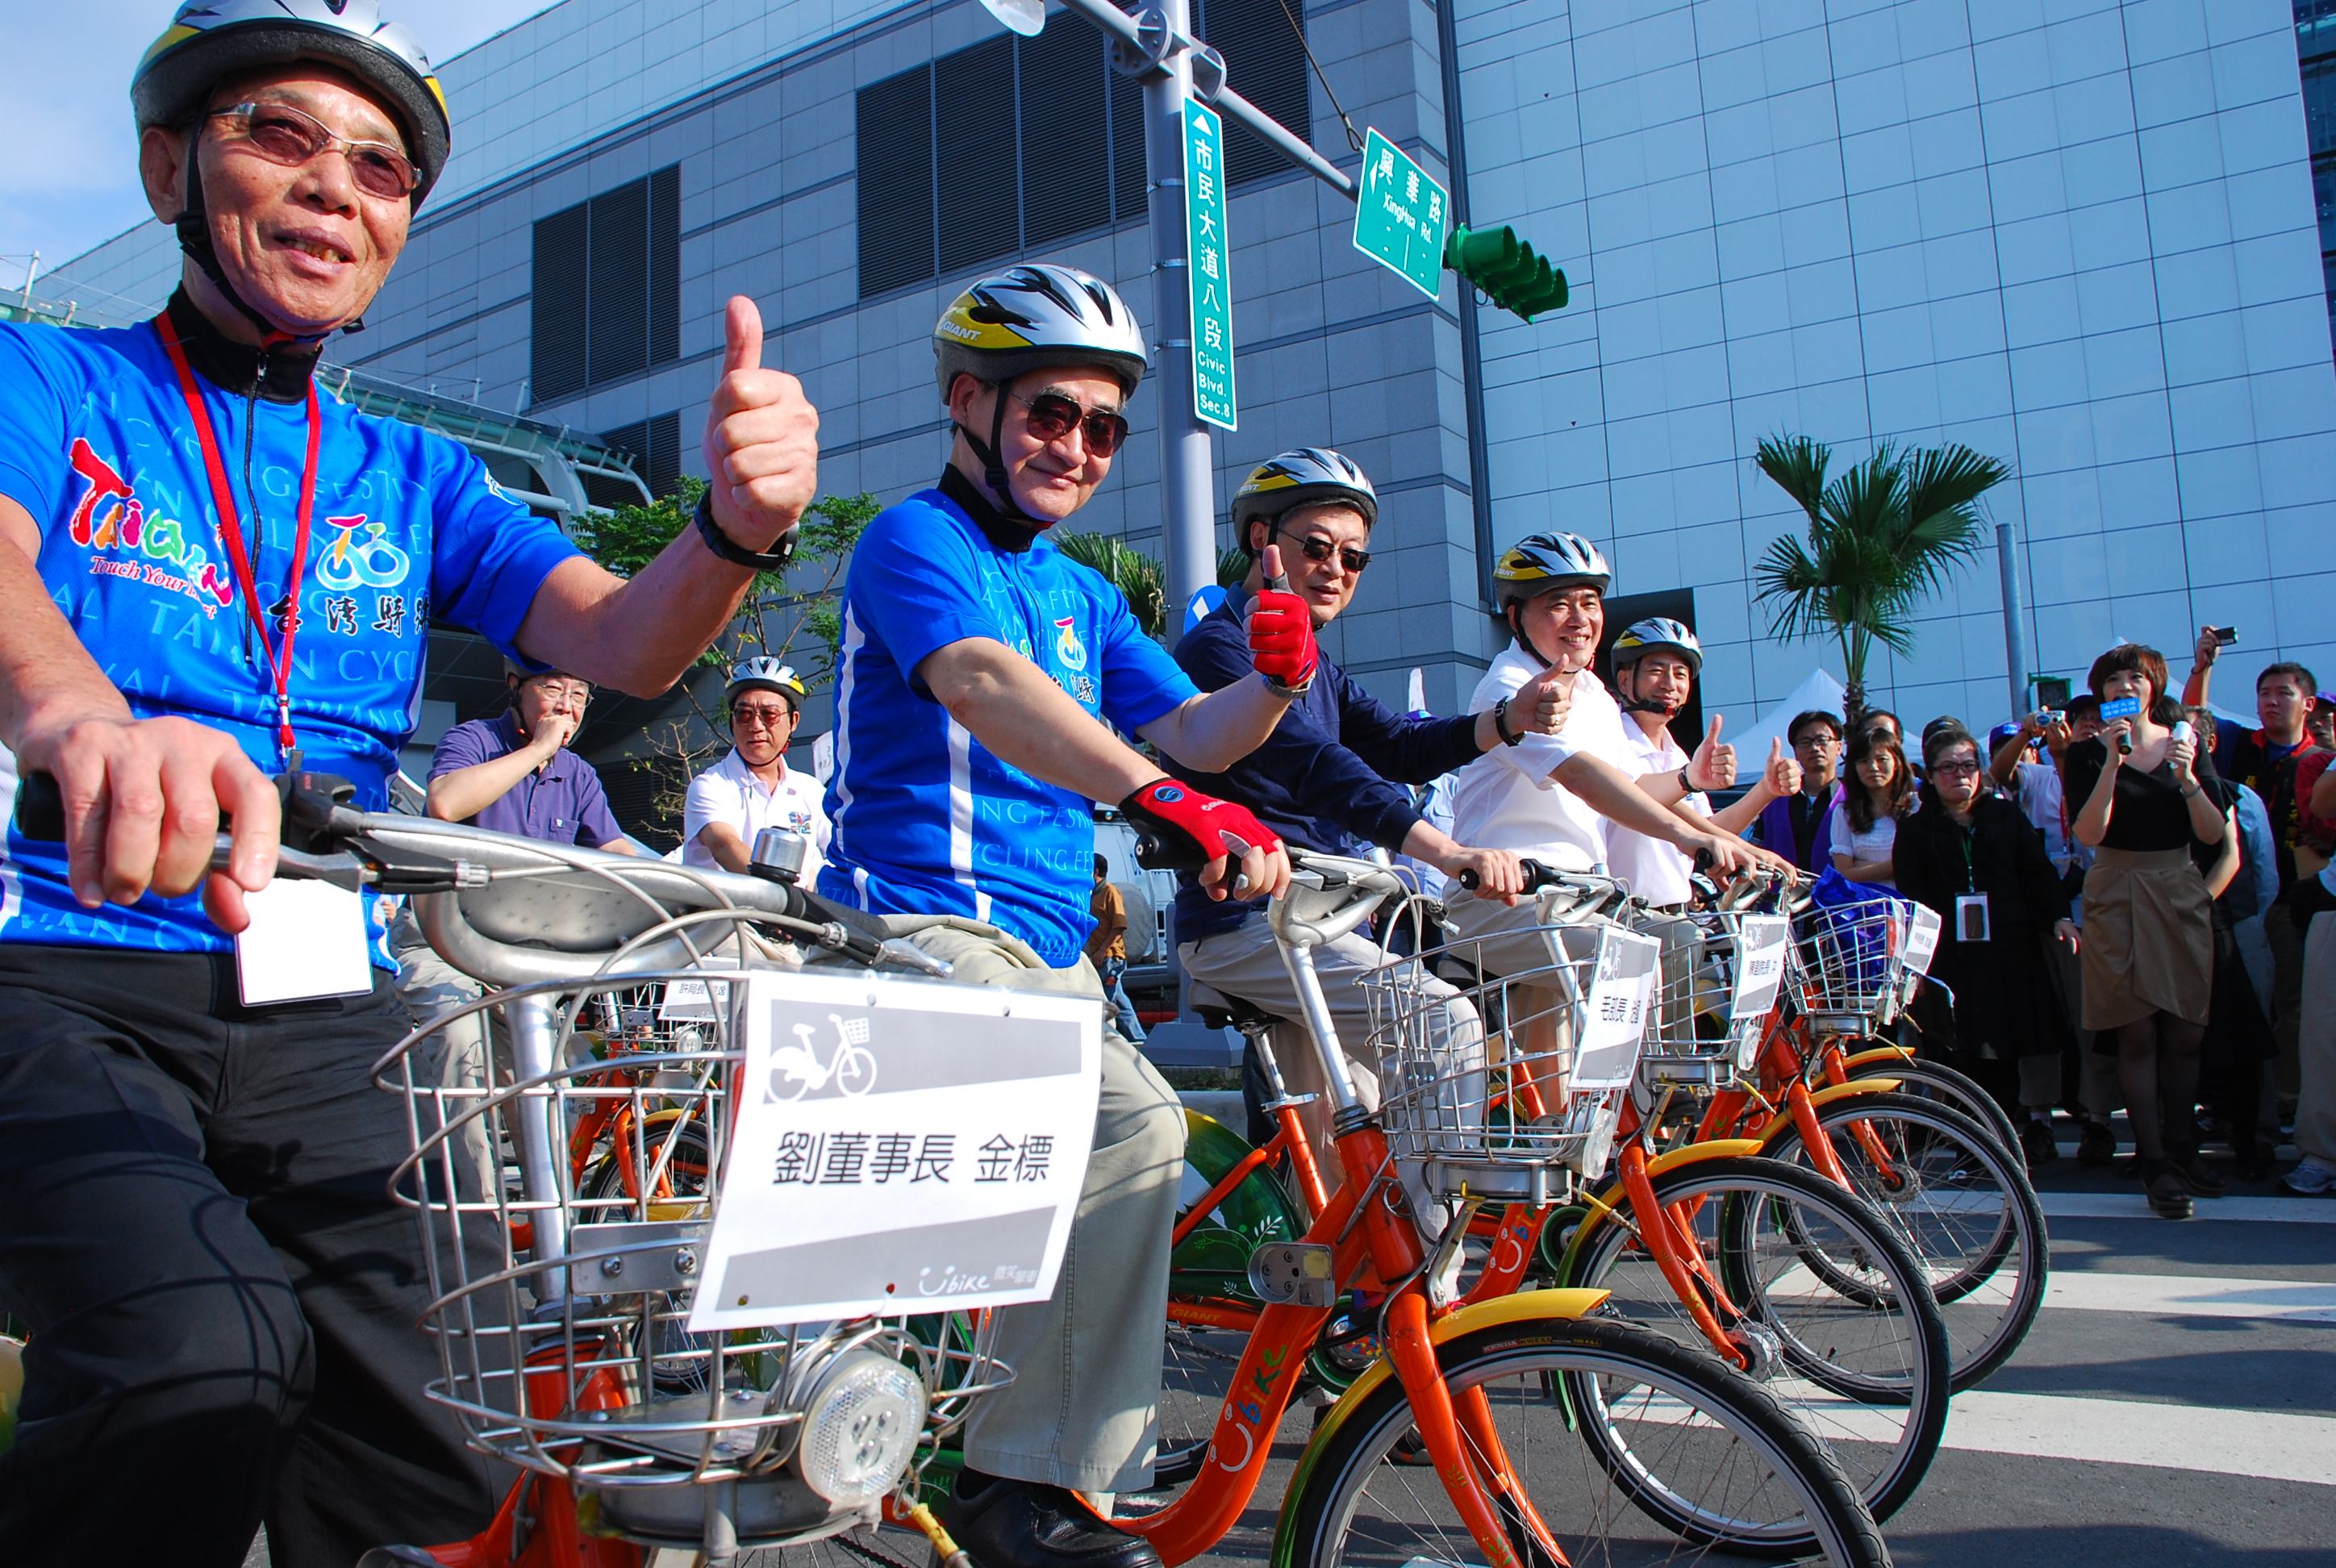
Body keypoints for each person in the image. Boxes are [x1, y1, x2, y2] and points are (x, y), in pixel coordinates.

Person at [0, 2, 821, 1560]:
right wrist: (80, 716)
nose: (334, 189)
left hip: (325, 991)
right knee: (199, 1351)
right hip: (65, 966)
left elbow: (627, 639)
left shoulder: (420, 476)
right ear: (171, 163)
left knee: (460, 1406)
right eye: (281, 137)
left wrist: (730, 526)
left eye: (379, 168)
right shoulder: (45, 381)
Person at [817, 263, 1299, 1568]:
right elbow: (977, 678)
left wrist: (1268, 678)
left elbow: (1194, 734)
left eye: (1101, 426)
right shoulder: (915, 541)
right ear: (968, 399)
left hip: (1043, 954)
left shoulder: (1087, 593)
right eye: (1048, 413)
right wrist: (1164, 797)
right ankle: (1021, 1486)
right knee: (1132, 1120)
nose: (1075, 446)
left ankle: (1031, 1424)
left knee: (1152, 1139)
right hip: (917, 921)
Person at [1166, 448, 1574, 1170]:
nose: (1335, 570)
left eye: (1354, 559)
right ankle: (1429, 1267)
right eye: (1316, 548)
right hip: (1246, 916)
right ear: (1262, 542)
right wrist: (1448, 854)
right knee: (1441, 1022)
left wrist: (1508, 718)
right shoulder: (1221, 651)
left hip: (1310, 914)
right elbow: (1320, 766)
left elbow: (1398, 744)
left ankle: (1338, 1273)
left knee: (1338, 1144)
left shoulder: (1317, 663)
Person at [1446, 533, 1776, 1099]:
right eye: (1558, 603)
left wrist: (1727, 835)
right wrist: (1686, 835)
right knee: (1658, 944)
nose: (1580, 618)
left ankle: (1619, 1131)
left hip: (1570, 900)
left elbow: (1634, 789)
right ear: (1516, 614)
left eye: (1590, 602)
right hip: (1499, 900)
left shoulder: (1594, 693)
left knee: (1557, 1094)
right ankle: (1657, 1105)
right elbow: (1579, 775)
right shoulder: (1508, 688)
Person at [2067, 644, 2229, 1217]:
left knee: (2187, 1030)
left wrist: (2186, 776)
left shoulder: (2187, 742)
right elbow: (2088, 833)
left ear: (2155, 687)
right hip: (2115, 888)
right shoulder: (2087, 753)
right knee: (2136, 1034)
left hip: (2177, 886)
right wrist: (2111, 762)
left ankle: (2184, 1142)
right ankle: (2155, 1158)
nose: (2124, 687)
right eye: (2113, 680)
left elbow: (2211, 835)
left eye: (2135, 678)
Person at [1892, 725, 2079, 1168]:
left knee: (2005, 1049)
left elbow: (2036, 872)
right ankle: (1970, 1148)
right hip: (1951, 958)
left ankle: (2008, 1139)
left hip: (2008, 949)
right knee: (1959, 1053)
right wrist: (1914, 966)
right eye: (1948, 767)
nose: (1960, 775)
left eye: (1969, 766)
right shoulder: (1917, 830)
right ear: (1932, 776)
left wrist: (2060, 918)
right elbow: (1912, 900)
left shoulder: (2004, 816)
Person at [2182, 631, 2323, 1092]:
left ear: (2309, 704)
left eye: (2284, 693)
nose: (2271, 702)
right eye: (2264, 693)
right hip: (2236, 904)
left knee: (2297, 1002)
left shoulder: (2322, 762)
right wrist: (2202, 667)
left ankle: (2288, 1096)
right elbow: (2193, 721)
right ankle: (2254, 1101)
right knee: (2250, 1005)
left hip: (2300, 899)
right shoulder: (2243, 745)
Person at [1603, 615, 1803, 907]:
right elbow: (1644, 801)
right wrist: (1747, 848)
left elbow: (1709, 827)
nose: (1670, 683)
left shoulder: (1676, 754)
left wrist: (1765, 791)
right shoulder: (1609, 737)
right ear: (1624, 679)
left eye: (1681, 674)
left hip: (1675, 912)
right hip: (1621, 914)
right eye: (1656, 671)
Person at [2185, 707, 2276, 1182]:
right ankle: (2177, 1144)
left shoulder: (2233, 795)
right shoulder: (2142, 792)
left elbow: (2256, 870)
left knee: (2242, 1042)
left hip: (2227, 928)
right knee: (2176, 1045)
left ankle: (2250, 1135)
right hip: (2168, 934)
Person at [424, 663, 635, 851]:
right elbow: (444, 805)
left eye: (578, 696)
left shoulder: (579, 774)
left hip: (538, 895)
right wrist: (539, 749)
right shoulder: (473, 739)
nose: (566, 707)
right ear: (516, 687)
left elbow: (615, 849)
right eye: (553, 689)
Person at [682, 656, 828, 879]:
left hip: (794, 913)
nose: (756, 726)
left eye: (769, 715)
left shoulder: (811, 790)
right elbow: (724, 845)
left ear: (793, 721)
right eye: (744, 714)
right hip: (727, 912)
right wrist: (786, 892)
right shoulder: (710, 786)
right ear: (732, 721)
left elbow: (839, 854)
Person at [1751, 710, 1847, 872]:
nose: (1815, 748)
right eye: (1805, 742)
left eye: (1822, 740)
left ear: (1839, 747)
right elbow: (1756, 850)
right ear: (1795, 751)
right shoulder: (1774, 801)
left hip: (1838, 894)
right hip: (1782, 894)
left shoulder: (1853, 800)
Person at [1829, 725, 1912, 888]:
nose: (1873, 767)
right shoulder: (1845, 813)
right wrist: (1897, 865)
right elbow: (1844, 874)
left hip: (1911, 904)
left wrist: (1861, 866)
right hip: (1866, 908)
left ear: (1896, 762)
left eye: (1882, 759)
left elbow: (1924, 863)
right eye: (1864, 761)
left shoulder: (1916, 806)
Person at [1087, 853, 1146, 1044]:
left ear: (1095, 871)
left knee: (1107, 1002)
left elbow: (1119, 926)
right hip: (1099, 957)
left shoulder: (1111, 892)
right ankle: (1139, 1040)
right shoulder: (1093, 894)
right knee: (1119, 1001)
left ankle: (1107, 1042)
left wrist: (1102, 950)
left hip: (1111, 958)